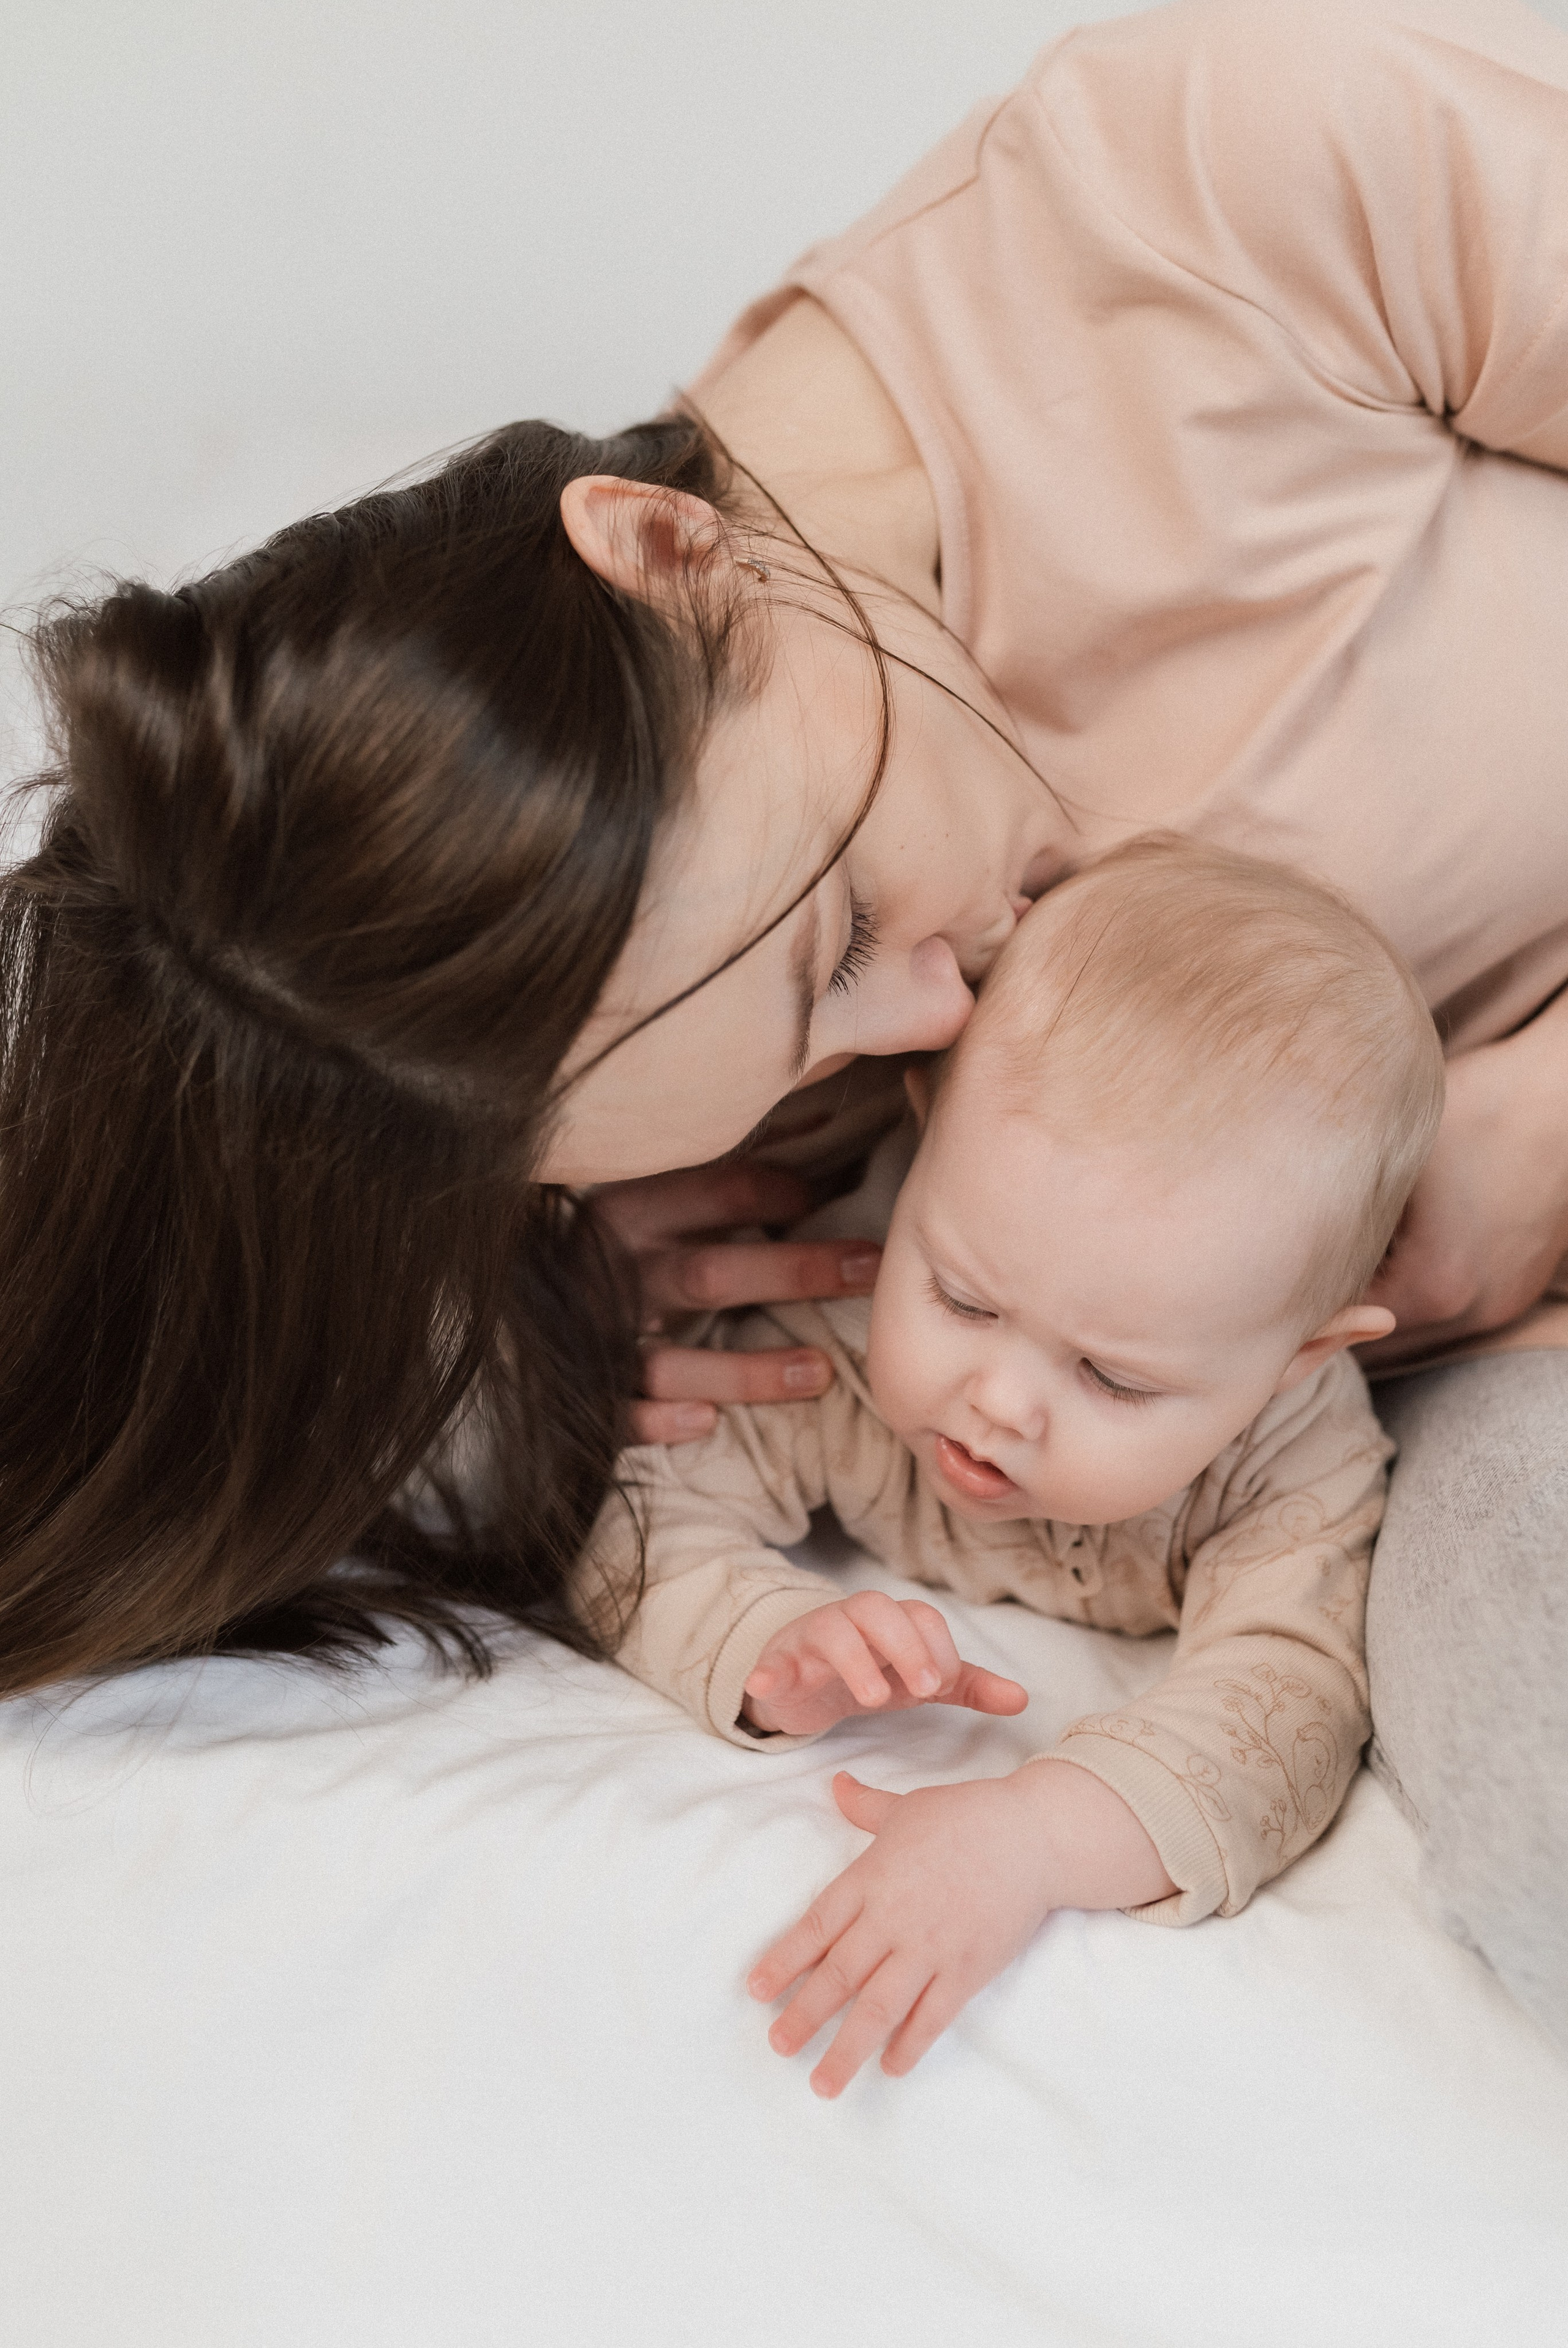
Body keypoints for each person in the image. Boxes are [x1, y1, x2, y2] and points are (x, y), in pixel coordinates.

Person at [1, 0, 1563, 2040]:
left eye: (843, 932)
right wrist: (545, 1302)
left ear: (667, 549)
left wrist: (1533, 1140)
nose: (949, 1014)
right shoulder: (669, 1058)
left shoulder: (1195, 207)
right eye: (829, 1046)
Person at [584, 838, 1442, 2094]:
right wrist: (767, 1642)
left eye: (1111, 1378)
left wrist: (1034, 1840)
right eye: (965, 1297)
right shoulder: (841, 1318)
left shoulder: (1289, 1459)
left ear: (1296, 1359)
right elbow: (626, 1507)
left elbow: (1290, 1703)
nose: (996, 1402)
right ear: (923, 1143)